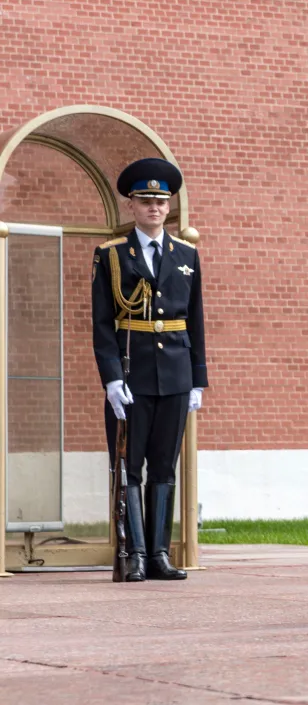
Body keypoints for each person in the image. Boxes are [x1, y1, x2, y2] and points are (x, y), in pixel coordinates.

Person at [93, 158, 207, 582]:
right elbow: (102, 323)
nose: (155, 208)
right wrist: (111, 378)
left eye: (161, 201)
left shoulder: (187, 255)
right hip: (132, 373)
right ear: (131, 206)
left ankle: (159, 553)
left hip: (176, 373)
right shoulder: (111, 255)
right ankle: (135, 553)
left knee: (165, 463)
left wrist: (198, 378)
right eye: (146, 201)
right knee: (130, 465)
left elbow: (195, 319)